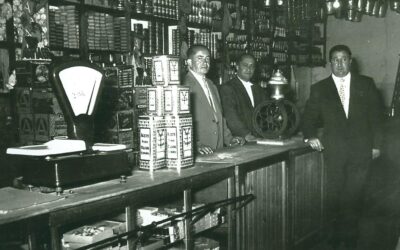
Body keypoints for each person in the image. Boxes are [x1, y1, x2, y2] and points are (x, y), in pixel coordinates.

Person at [301, 44, 383, 249]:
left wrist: (376, 145)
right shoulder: (319, 89)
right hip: (335, 154)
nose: (339, 63)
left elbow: (376, 118)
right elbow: (308, 119)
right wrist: (310, 136)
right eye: (335, 59)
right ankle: (337, 242)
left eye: (343, 59)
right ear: (330, 63)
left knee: (353, 200)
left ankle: (350, 242)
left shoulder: (366, 84)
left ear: (350, 61)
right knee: (337, 200)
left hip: (361, 152)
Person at [183, 45, 245, 155]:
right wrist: (195, 145)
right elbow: (181, 123)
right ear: (189, 62)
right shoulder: (184, 86)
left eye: (207, 58)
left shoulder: (211, 85)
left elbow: (219, 117)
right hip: (199, 152)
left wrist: (229, 139)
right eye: (200, 58)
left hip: (218, 149)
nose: (205, 62)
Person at [220, 53, 267, 141]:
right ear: (237, 67)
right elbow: (230, 115)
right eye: (245, 65)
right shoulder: (228, 88)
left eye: (252, 66)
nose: (249, 69)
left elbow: (265, 113)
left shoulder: (259, 89)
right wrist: (245, 134)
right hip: (240, 139)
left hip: (259, 137)